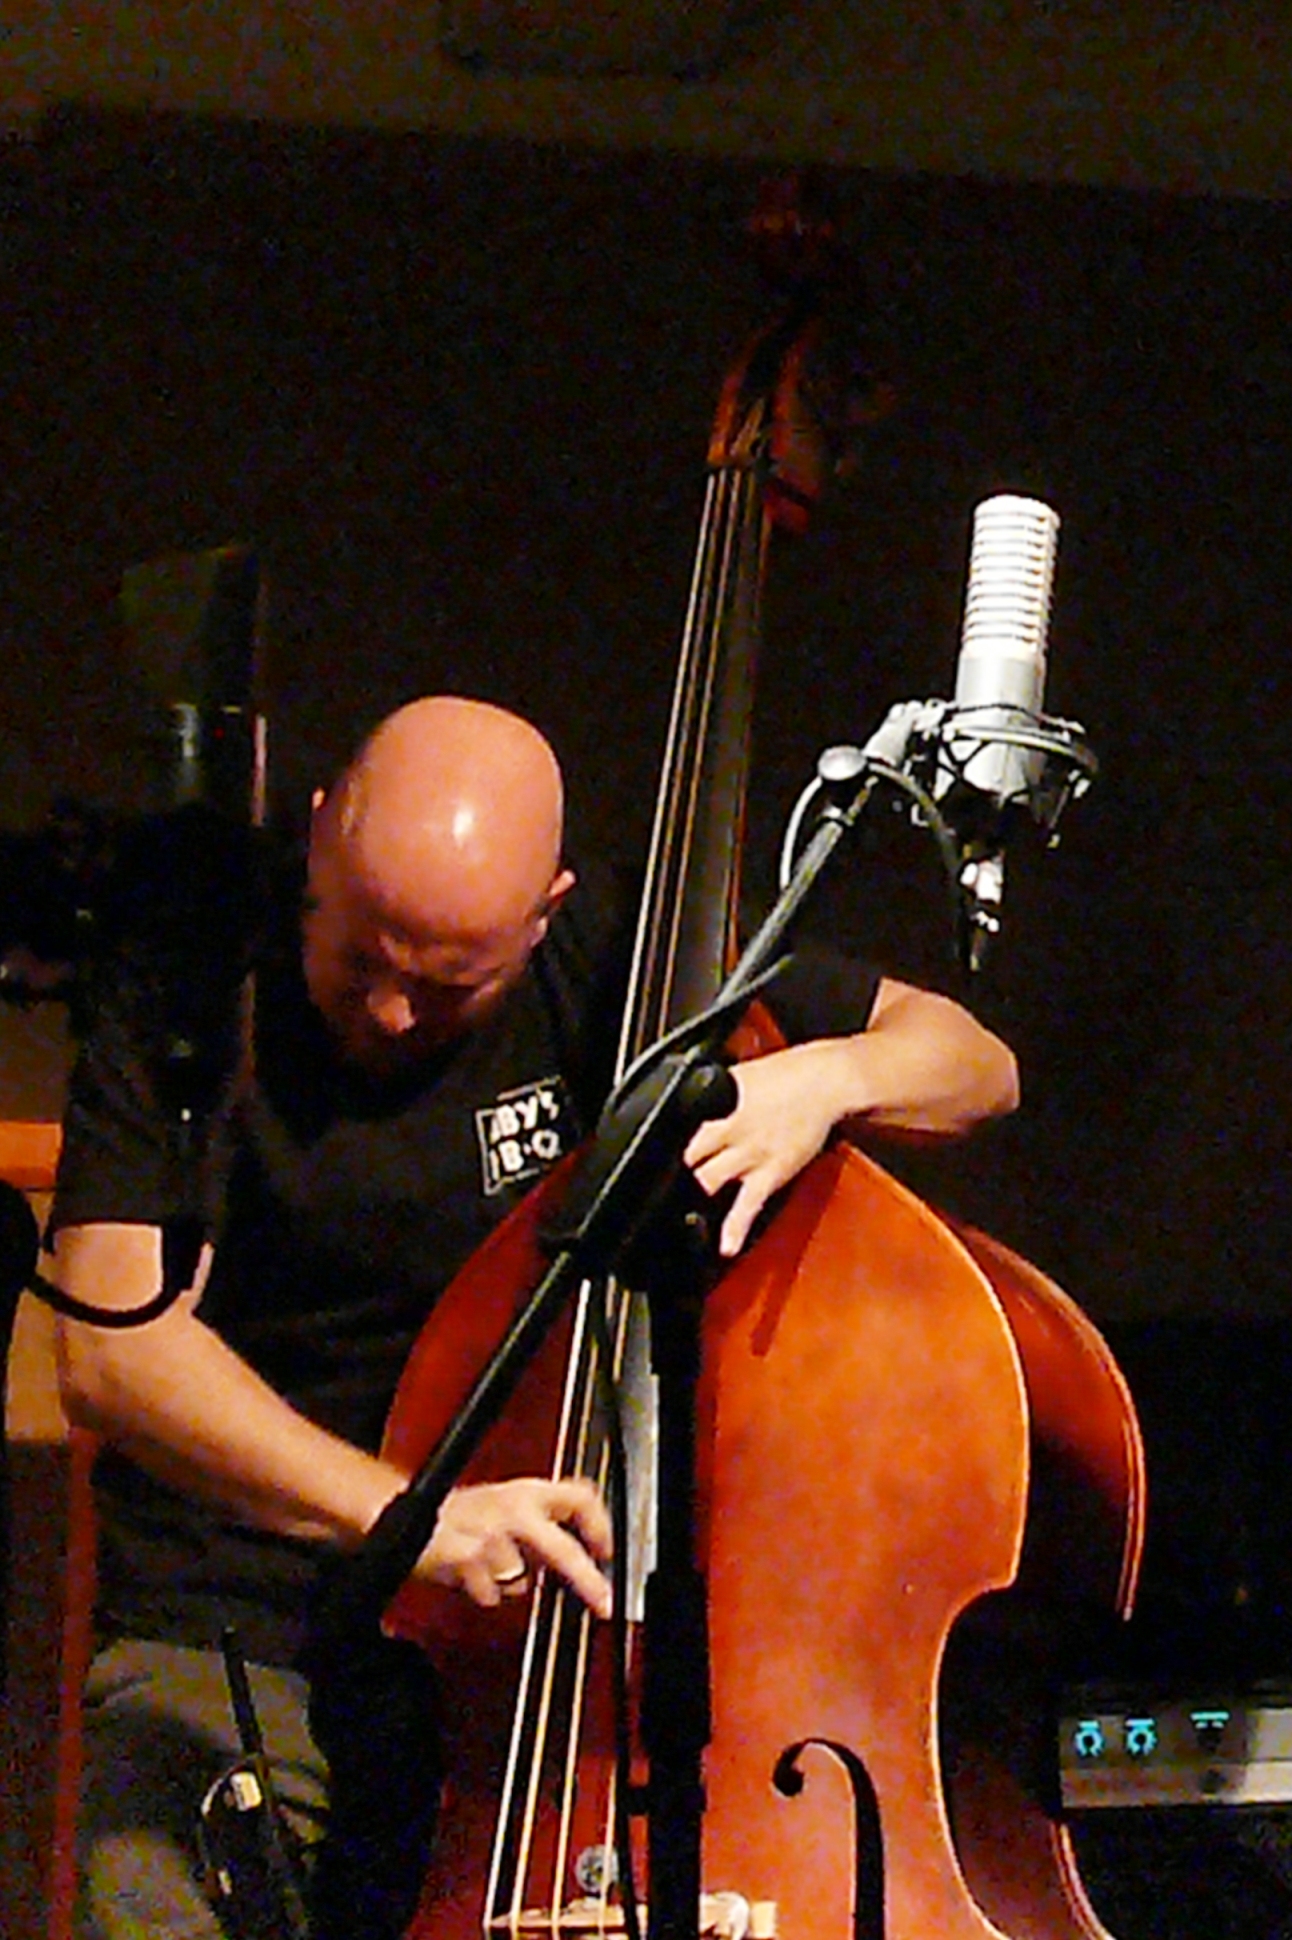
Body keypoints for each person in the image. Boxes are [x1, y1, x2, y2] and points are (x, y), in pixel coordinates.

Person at [49, 695, 1020, 1939]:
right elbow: (114, 1350)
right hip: (239, 1612)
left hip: (519, 1656)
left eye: (448, 988)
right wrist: (417, 1522)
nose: (394, 1014)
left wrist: (826, 1079)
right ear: (319, 840)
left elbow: (971, 1057)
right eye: (361, 960)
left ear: (546, 910)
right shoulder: (188, 971)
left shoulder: (619, 949)